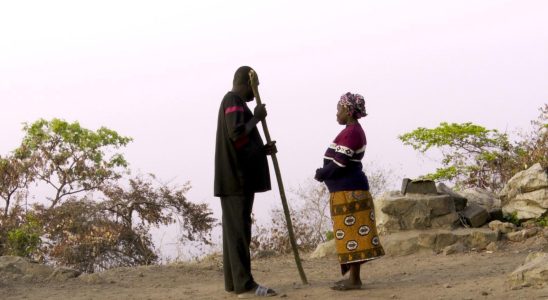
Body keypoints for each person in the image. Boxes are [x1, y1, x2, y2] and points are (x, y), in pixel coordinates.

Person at [214, 66, 278, 298]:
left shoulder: (236, 103)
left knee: (236, 232)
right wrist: (257, 119)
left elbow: (242, 145)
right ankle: (245, 285)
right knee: (239, 232)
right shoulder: (233, 100)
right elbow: (236, 134)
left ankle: (235, 283)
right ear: (247, 82)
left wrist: (262, 150)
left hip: (235, 179)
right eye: (256, 85)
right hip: (235, 180)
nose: (256, 91)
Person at [314, 92, 385, 291]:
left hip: (350, 191)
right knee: (350, 236)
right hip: (346, 190)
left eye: (338, 109)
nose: (336, 113)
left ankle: (355, 280)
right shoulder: (350, 131)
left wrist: (322, 173)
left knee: (353, 235)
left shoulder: (352, 132)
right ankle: (353, 279)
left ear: (347, 110)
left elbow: (340, 163)